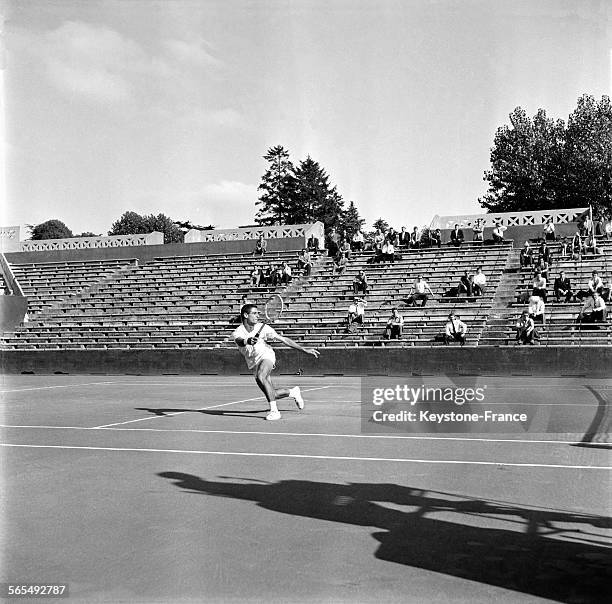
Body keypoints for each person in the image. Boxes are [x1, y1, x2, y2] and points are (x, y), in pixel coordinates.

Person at [233, 304, 319, 421]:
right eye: (255, 313)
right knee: (272, 394)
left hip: (266, 356)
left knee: (261, 376)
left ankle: (274, 411)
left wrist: (304, 349)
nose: (258, 315)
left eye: (258, 313)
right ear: (246, 315)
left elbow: (283, 339)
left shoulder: (264, 327)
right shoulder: (238, 331)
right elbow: (239, 341)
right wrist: (247, 340)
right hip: (253, 363)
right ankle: (293, 392)